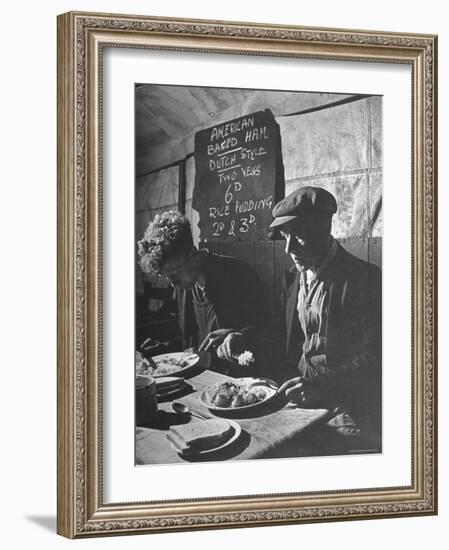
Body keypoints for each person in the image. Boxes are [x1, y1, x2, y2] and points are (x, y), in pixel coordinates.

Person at [270, 186, 382, 451]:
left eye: (298, 236)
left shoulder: (363, 278)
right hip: (299, 398)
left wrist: (320, 385)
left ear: (324, 228)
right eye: (285, 237)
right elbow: (287, 342)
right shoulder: (294, 278)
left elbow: (374, 358)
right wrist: (245, 338)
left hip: (346, 405)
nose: (288, 248)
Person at [137, 211, 269, 375]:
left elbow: (268, 334)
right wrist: (162, 348)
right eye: (167, 277)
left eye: (175, 273)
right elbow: (191, 344)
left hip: (237, 382)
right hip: (199, 379)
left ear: (193, 254)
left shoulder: (238, 275)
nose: (172, 283)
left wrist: (238, 335)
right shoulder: (184, 287)